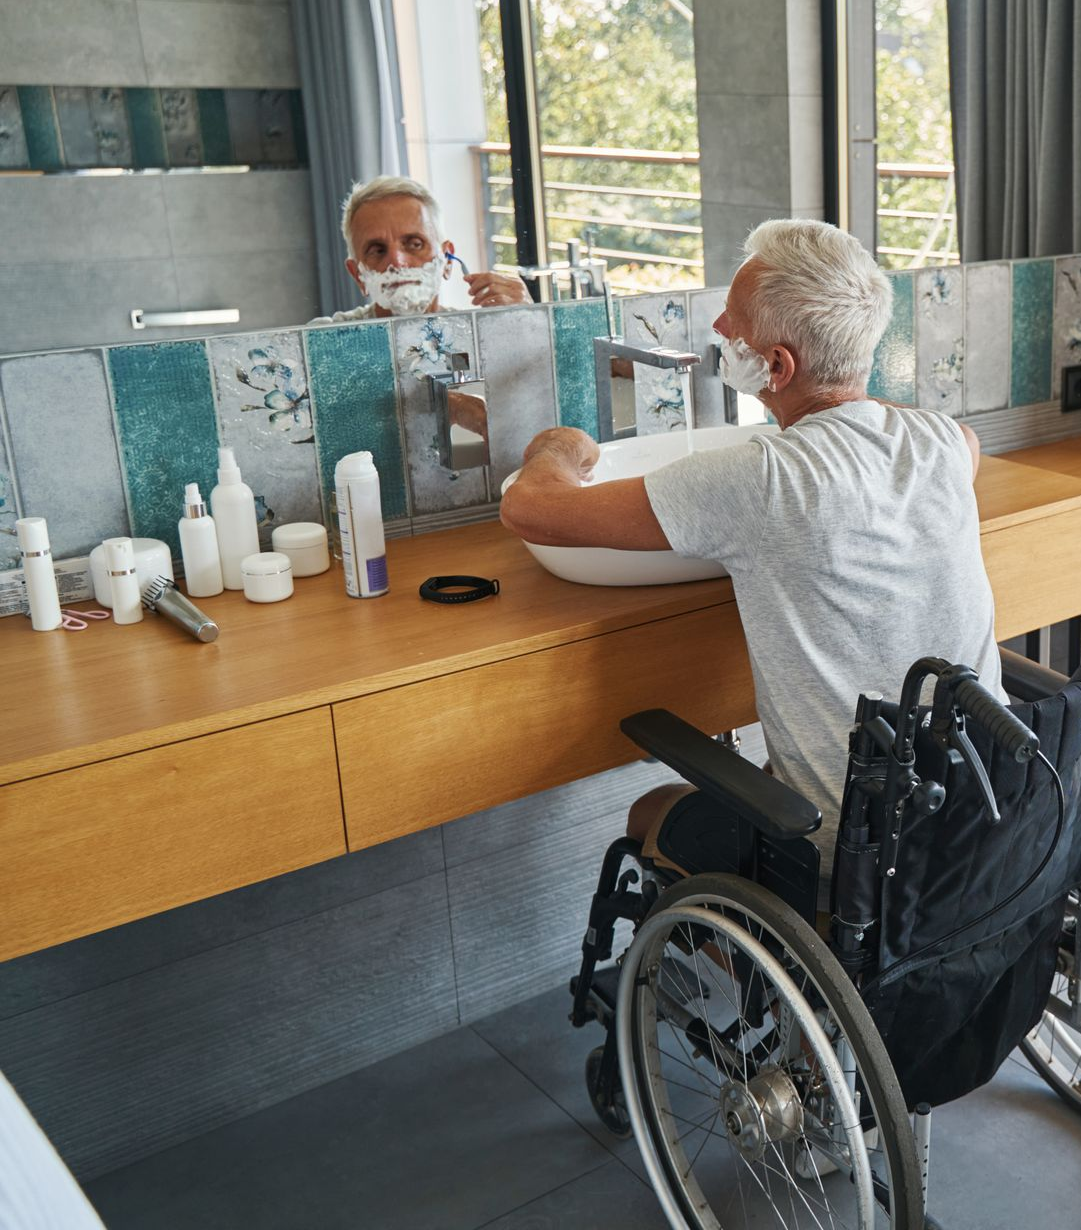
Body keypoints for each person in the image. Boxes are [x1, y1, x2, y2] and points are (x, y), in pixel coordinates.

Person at [501, 218, 1002, 882]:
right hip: (983, 823)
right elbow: (891, 429)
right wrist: (838, 371)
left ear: (777, 366)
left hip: (849, 856)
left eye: (732, 322)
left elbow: (530, 510)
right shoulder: (945, 441)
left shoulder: (758, 478)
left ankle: (744, 946)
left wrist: (557, 447)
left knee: (651, 809)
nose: (716, 329)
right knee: (769, 770)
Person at [311, 175, 530, 323]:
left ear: (447, 261)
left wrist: (532, 322)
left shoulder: (478, 337)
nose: (397, 262)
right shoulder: (323, 342)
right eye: (378, 250)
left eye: (414, 244)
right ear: (358, 275)